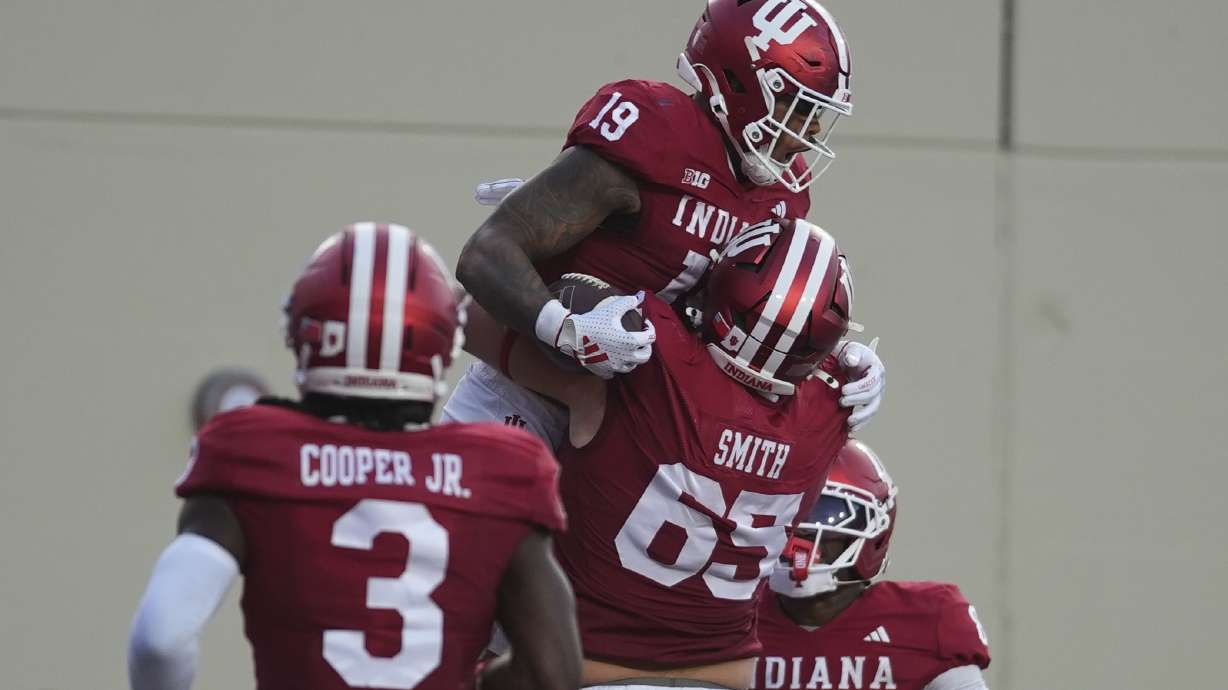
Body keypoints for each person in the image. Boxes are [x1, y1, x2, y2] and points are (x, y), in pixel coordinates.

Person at [127, 223, 581, 690]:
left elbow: (161, 637)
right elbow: (552, 672)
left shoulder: (253, 451)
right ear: (440, 343)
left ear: (306, 333)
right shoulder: (500, 471)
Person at [445, 0, 883, 448]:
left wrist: (834, 359)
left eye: (816, 115)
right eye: (795, 107)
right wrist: (567, 330)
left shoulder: (785, 190)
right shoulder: (655, 131)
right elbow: (486, 255)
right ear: (737, 80)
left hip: (637, 428)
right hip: (525, 402)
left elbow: (748, 318)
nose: (806, 134)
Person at [465, 217, 857, 690]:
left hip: (592, 672)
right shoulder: (833, 408)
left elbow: (472, 323)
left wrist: (565, 328)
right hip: (723, 677)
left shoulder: (652, 360)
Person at [756, 441, 992, 690]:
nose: (802, 531)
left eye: (824, 512)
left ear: (874, 533)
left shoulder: (928, 619)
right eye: (787, 511)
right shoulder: (729, 615)